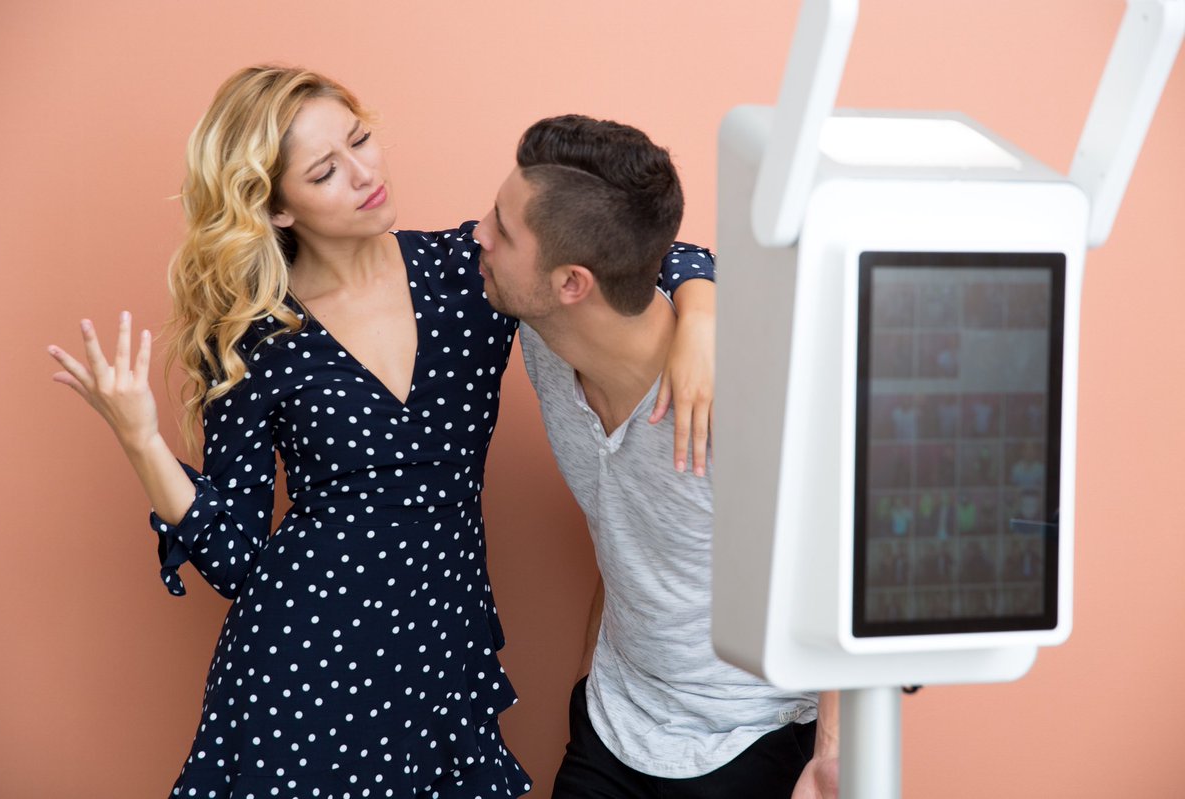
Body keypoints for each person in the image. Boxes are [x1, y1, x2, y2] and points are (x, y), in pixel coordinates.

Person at [46, 67, 716, 798]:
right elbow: (236, 561)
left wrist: (701, 320)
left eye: (361, 138)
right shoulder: (252, 337)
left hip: (437, 662)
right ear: (275, 208)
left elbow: (637, 248)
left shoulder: (471, 272)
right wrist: (141, 439)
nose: (365, 173)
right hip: (299, 676)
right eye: (327, 170)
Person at [472, 115, 840, 799]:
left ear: (572, 283)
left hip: (747, 737)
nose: (477, 235)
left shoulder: (746, 399)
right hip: (614, 719)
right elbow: (665, 250)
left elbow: (850, 566)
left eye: (501, 226)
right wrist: (701, 304)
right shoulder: (543, 340)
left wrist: (833, 756)